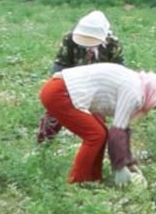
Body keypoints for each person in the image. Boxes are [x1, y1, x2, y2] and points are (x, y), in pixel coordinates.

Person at [38, 63, 156, 184]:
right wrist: (119, 167)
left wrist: (129, 163)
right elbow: (117, 132)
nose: (153, 108)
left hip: (57, 88)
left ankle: (92, 178)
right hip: (59, 92)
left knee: (101, 133)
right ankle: (77, 182)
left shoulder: (136, 83)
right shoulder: (134, 92)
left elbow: (122, 131)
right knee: (95, 135)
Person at [37, 11, 125, 143]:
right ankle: (43, 144)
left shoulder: (112, 44)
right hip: (72, 81)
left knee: (97, 118)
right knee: (55, 111)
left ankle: (93, 145)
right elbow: (61, 62)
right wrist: (56, 82)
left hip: (98, 85)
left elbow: (119, 68)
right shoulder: (69, 39)